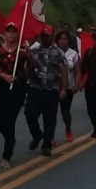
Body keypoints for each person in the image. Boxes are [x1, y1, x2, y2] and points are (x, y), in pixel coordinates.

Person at [24, 26, 67, 157]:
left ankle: (46, 145)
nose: (45, 37)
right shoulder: (34, 51)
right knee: (29, 114)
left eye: (47, 35)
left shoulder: (58, 52)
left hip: (51, 90)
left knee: (49, 120)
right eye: (43, 35)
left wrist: (63, 89)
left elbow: (63, 71)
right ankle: (37, 135)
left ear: (52, 36)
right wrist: (28, 57)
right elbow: (28, 68)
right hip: (35, 89)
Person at [0, 22, 26, 169]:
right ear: (5, 34)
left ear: (18, 34)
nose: (11, 34)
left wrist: (18, 76)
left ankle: (6, 155)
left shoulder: (22, 52)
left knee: (10, 121)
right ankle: (10, 140)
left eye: (14, 32)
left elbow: (31, 68)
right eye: (8, 31)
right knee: (0, 122)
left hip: (17, 89)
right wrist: (4, 76)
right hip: (2, 88)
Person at [54, 30, 81, 142]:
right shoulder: (53, 52)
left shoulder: (73, 54)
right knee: (51, 113)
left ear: (69, 42)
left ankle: (68, 129)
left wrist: (77, 84)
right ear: (57, 41)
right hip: (54, 86)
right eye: (61, 39)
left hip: (68, 87)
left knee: (65, 112)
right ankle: (50, 135)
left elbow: (78, 71)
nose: (63, 41)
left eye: (65, 39)